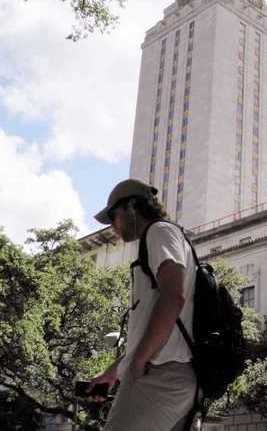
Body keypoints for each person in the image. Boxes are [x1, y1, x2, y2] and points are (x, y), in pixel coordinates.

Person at [88, 179, 198, 431]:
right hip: (175, 375)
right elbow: (159, 318)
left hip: (160, 374)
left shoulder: (159, 232)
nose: (113, 227)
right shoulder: (164, 236)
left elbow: (173, 296)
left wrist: (138, 361)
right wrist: (115, 370)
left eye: (113, 216)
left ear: (132, 207)